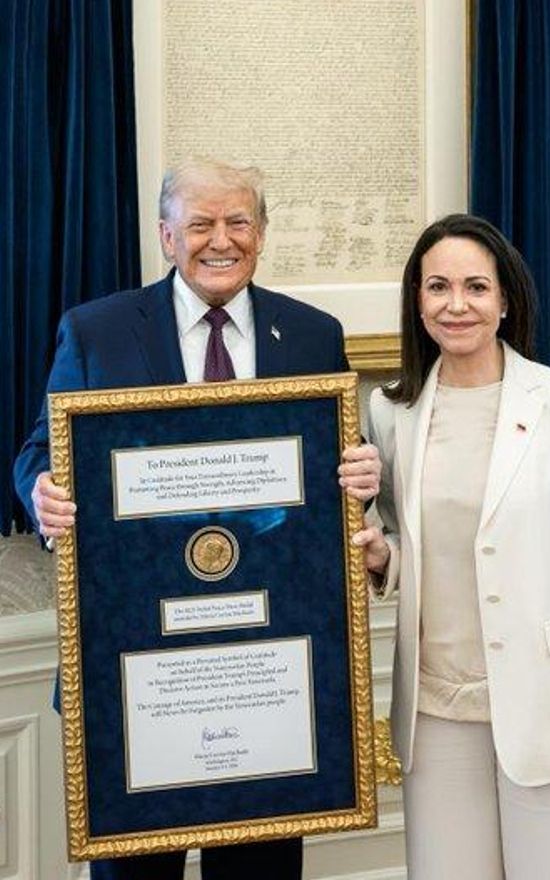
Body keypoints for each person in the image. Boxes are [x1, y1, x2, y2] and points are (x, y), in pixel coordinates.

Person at [13, 158, 380, 880]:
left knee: (261, 866)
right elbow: (38, 451)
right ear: (166, 235)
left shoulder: (310, 334)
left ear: (262, 233)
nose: (222, 240)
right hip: (136, 655)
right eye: (202, 223)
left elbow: (328, 477)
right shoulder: (97, 330)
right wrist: (42, 490)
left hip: (268, 657)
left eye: (239, 221)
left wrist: (361, 478)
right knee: (135, 870)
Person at [352, 214, 550, 880]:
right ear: (417, 301)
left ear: (505, 300)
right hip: (436, 710)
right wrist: (380, 558)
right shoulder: (391, 412)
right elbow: (404, 539)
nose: (456, 305)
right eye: (438, 287)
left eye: (476, 288)